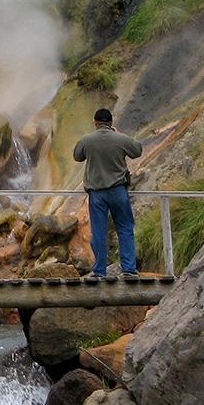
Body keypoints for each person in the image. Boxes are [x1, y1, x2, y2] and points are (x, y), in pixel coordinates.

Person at [73, 108, 144, 278]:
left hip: (97, 193)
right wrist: (120, 134)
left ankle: (99, 271)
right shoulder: (120, 138)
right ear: (111, 123)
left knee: (98, 232)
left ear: (95, 122)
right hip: (118, 190)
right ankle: (129, 268)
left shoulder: (88, 140)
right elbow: (137, 151)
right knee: (125, 227)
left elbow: (77, 156)